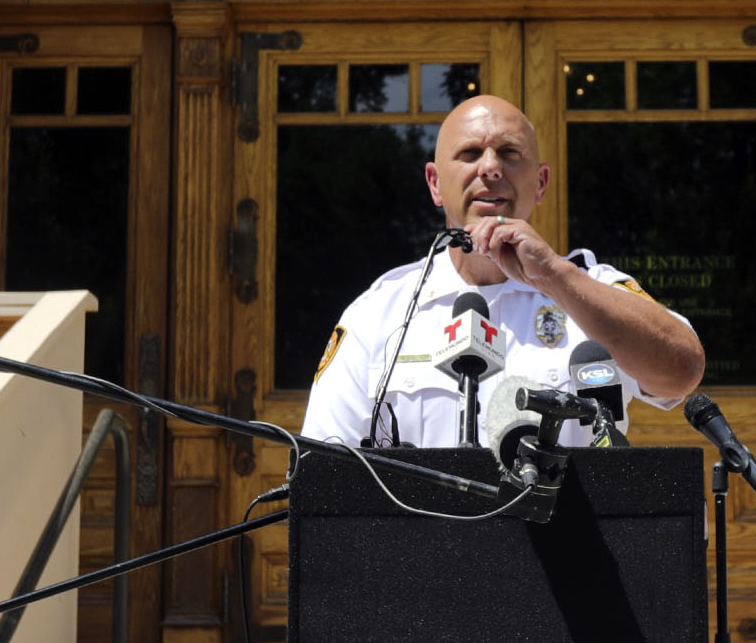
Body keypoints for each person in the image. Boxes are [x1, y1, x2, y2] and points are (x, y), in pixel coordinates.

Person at [299, 94, 705, 448]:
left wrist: (553, 275)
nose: (491, 168)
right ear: (435, 184)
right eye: (470, 153)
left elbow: (681, 373)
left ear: (541, 183)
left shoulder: (591, 287)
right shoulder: (380, 314)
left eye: (510, 154)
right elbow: (324, 473)